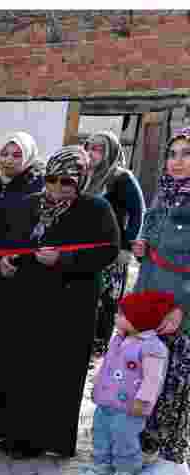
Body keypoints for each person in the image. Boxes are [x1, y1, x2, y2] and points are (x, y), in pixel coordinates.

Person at [0, 146, 120, 458]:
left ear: (81, 180)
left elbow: (108, 250)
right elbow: (7, 242)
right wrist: (4, 262)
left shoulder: (95, 210)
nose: (57, 188)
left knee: (52, 372)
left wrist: (64, 258)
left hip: (68, 307)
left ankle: (41, 440)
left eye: (66, 182)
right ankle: (8, 432)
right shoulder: (28, 205)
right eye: (52, 180)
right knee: (17, 366)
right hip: (25, 302)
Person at [130, 127, 190, 475]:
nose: (177, 161)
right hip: (153, 299)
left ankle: (175, 457)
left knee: (178, 384)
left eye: (186, 154)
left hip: (181, 308)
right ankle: (149, 446)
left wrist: (182, 309)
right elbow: (155, 244)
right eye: (173, 153)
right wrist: (143, 248)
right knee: (152, 377)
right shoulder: (164, 195)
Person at [0, 132, 46, 399]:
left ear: (28, 157)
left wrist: (14, 257)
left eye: (17, 155)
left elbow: (34, 228)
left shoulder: (36, 184)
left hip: (13, 264)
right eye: (5, 153)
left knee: (2, 325)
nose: (9, 160)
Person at [79, 291, 172, 475]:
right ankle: (102, 464)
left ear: (138, 319)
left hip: (131, 406)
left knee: (125, 437)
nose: (116, 317)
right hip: (107, 401)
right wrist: (97, 385)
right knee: (101, 432)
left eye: (121, 314)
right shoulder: (119, 339)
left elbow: (153, 379)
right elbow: (107, 366)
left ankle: (126, 470)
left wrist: (144, 400)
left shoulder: (152, 347)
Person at [85, 131, 146, 354]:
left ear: (110, 152)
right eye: (89, 147)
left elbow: (138, 213)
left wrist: (126, 246)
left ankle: (101, 345)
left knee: (107, 299)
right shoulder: (86, 176)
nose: (92, 153)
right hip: (87, 249)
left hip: (113, 250)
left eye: (99, 149)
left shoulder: (121, 178)